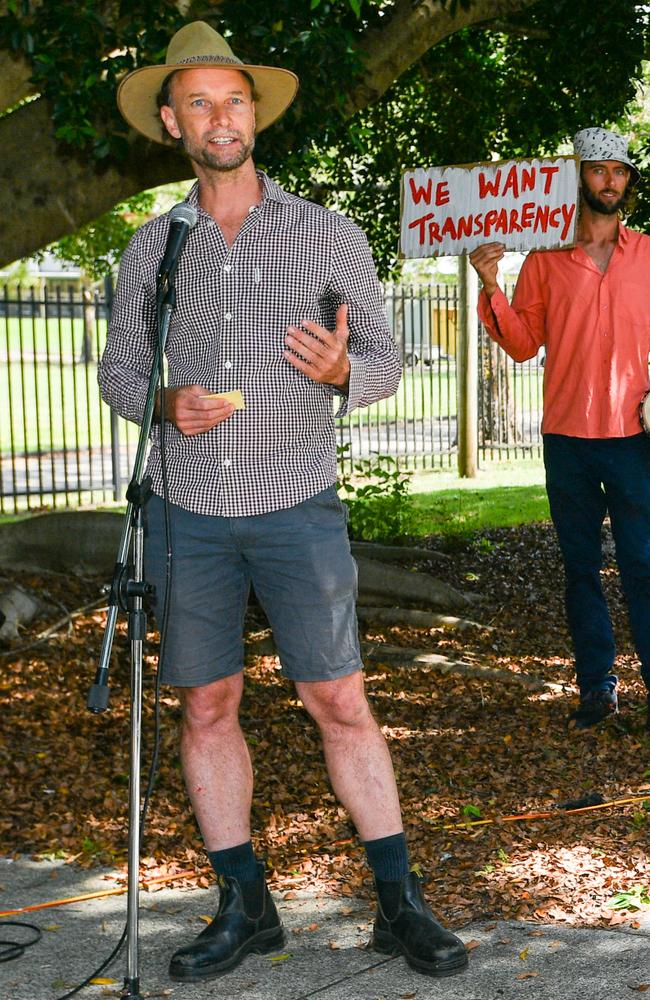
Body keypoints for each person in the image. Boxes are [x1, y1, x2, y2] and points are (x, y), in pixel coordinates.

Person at [99, 20, 468, 984]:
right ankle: (245, 908)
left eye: (234, 99)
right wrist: (163, 402)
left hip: (297, 500)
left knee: (337, 698)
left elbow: (388, 359)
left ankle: (400, 906)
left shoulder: (323, 231)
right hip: (186, 512)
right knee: (207, 705)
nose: (220, 117)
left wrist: (348, 369)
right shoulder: (153, 247)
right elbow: (122, 368)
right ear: (173, 125)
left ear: (252, 114)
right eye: (200, 103)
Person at [470, 127, 650, 732]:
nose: (610, 181)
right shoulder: (545, 261)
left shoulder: (648, 255)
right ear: (577, 178)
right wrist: (491, 283)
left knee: (644, 565)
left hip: (635, 439)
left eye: (619, 171)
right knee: (580, 569)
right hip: (568, 440)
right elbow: (522, 345)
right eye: (598, 170)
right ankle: (597, 690)